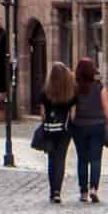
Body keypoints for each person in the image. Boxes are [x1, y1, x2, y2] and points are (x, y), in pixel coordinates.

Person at [36, 62, 76, 204]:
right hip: (64, 129)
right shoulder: (69, 90)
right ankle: (58, 191)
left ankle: (52, 191)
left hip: (49, 128)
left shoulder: (46, 90)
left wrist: (45, 121)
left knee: (51, 160)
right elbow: (72, 111)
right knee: (61, 159)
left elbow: (42, 111)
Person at [71, 58, 108, 203]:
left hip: (79, 126)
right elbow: (106, 108)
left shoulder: (74, 87)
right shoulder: (99, 86)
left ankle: (83, 192)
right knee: (95, 159)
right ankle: (94, 188)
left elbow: (72, 109)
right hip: (97, 125)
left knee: (82, 159)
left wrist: (73, 122)